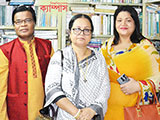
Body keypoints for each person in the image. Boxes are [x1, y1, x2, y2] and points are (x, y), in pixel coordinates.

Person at [43, 14, 110, 120]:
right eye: (77, 29)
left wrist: (92, 110)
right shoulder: (60, 56)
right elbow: (52, 88)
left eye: (86, 30)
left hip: (91, 116)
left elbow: (105, 88)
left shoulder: (99, 58)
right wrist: (77, 113)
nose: (81, 33)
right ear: (70, 32)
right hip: (66, 116)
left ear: (91, 34)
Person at [100, 6, 160, 120]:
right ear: (114, 23)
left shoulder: (146, 47)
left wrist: (138, 86)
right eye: (119, 20)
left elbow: (158, 77)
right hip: (109, 111)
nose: (123, 24)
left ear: (135, 23)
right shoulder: (105, 47)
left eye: (128, 20)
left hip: (137, 112)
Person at [0, 5, 54, 120]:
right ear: (14, 26)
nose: (23, 25)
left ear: (34, 22)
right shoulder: (5, 51)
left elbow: (54, 80)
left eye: (27, 20)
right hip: (15, 111)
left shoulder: (47, 46)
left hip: (43, 111)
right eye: (18, 22)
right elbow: (1, 88)